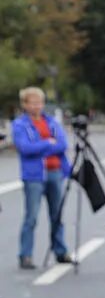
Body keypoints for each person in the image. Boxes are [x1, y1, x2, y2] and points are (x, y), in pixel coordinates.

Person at [13, 87, 71, 269]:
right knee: (31, 216)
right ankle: (26, 254)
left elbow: (62, 144)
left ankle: (60, 250)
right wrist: (47, 143)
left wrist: (42, 147)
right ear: (25, 105)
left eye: (40, 102)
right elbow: (24, 148)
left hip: (55, 172)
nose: (38, 106)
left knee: (57, 215)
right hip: (34, 175)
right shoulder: (20, 125)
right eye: (33, 102)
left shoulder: (52, 122)